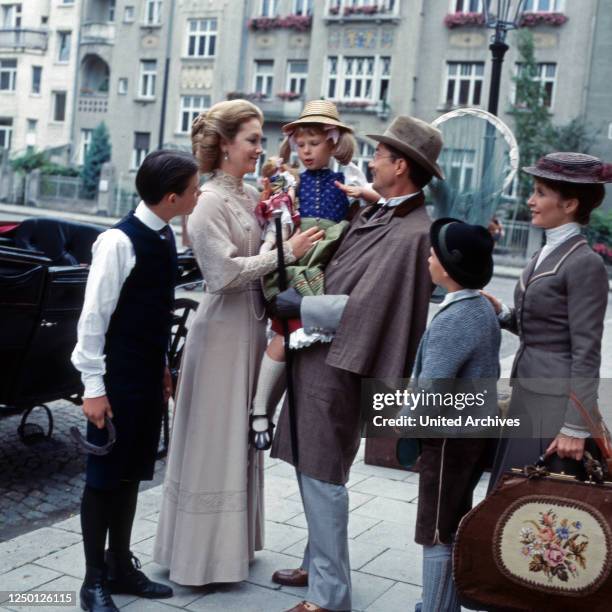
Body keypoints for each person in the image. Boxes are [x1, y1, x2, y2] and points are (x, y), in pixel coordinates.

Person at [269, 116, 443, 612]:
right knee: (314, 464)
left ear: (401, 166)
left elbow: (369, 307)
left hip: (342, 359)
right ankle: (316, 562)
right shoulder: (386, 214)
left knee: (323, 472)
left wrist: (299, 307)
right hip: (324, 353)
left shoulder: (412, 232)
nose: (370, 161)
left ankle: (329, 596)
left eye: (380, 155)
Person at [153, 99, 321, 586]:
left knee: (241, 434)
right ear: (225, 145)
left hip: (251, 326)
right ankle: (199, 557)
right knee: (216, 434)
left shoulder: (250, 194)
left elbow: (265, 253)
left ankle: (229, 549)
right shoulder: (207, 202)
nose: (259, 148)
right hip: (222, 326)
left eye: (260, 139)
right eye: (251, 139)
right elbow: (222, 273)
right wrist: (283, 252)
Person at [71, 149, 201, 611]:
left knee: (130, 476)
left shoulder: (163, 233)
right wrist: (93, 388)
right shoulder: (118, 243)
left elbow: (152, 312)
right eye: (193, 189)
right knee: (104, 479)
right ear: (171, 197)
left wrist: (162, 367)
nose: (198, 193)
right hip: (115, 381)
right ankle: (93, 582)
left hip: (145, 377)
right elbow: (92, 321)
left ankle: (120, 567)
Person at [250, 99, 380, 450]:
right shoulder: (291, 182)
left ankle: (301, 412)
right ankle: (260, 407)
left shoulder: (349, 179)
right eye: (301, 145)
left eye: (314, 144)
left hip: (332, 263)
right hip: (300, 258)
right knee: (282, 334)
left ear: (333, 142)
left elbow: (371, 212)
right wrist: (270, 252)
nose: (306, 152)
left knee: (314, 339)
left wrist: (367, 198)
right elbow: (279, 223)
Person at [482, 152, 611, 489]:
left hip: (554, 406)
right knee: (511, 501)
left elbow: (586, 351)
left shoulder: (585, 264)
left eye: (540, 192)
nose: (530, 201)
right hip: (528, 395)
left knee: (534, 508)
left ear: (569, 204)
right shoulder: (546, 252)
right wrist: (504, 315)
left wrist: (575, 427)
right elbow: (544, 328)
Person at [410, 219, 500, 612]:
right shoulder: (480, 307)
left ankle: (436, 608)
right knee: (452, 520)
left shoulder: (455, 318)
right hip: (470, 433)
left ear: (446, 268)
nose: (428, 257)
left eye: (433, 253)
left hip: (447, 438)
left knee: (436, 529)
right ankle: (440, 604)